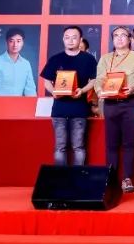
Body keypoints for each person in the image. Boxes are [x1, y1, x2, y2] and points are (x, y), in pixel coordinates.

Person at [95, 26, 134, 193]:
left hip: (130, 103)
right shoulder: (105, 58)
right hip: (110, 104)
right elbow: (99, 79)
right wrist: (99, 91)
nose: (119, 38)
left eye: (123, 35)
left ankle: (127, 178)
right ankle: (111, 179)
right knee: (111, 143)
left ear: (129, 39)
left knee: (129, 143)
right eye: (116, 36)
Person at [39, 26, 98, 166]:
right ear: (63, 39)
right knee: (60, 147)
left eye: (74, 37)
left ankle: (78, 176)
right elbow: (46, 81)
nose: (70, 40)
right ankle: (62, 177)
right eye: (67, 37)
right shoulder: (55, 59)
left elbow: (94, 80)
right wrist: (54, 92)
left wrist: (82, 90)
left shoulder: (89, 59)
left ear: (80, 39)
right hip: (59, 110)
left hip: (79, 109)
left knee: (78, 147)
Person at [0, 27, 36, 96]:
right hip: (0, 102)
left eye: (18, 41)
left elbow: (30, 90)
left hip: (18, 102)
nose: (15, 45)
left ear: (22, 42)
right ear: (7, 42)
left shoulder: (26, 64)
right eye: (11, 41)